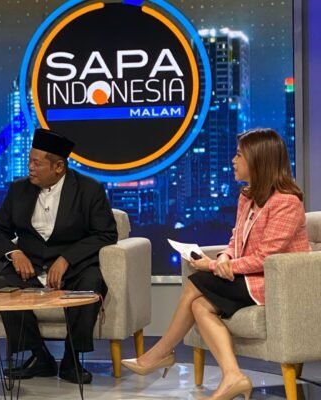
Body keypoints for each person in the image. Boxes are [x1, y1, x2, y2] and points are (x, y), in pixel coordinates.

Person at [121, 128, 311, 400]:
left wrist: (213, 266)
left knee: (197, 283)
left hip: (274, 284)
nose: (233, 160)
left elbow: (265, 258)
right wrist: (224, 257)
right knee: (199, 305)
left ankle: (159, 354)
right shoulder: (247, 197)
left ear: (259, 160)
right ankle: (233, 376)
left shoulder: (286, 203)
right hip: (248, 278)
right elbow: (236, 238)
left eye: (239, 155)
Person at [0, 128, 117, 384]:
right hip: (30, 266)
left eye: (37, 163)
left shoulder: (88, 190)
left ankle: (71, 359)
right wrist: (14, 253)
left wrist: (67, 258)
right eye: (29, 161)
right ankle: (39, 356)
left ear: (58, 167)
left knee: (91, 283)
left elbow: (106, 233)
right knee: (1, 286)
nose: (30, 167)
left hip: (75, 268)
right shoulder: (19, 190)